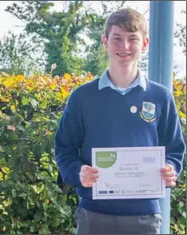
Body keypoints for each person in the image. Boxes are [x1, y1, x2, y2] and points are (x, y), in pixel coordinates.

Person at [54, 8, 185, 234]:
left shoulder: (160, 97)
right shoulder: (82, 97)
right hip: (94, 215)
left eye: (132, 39)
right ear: (105, 42)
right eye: (117, 39)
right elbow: (64, 148)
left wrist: (171, 169)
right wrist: (78, 172)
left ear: (144, 44)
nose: (124, 47)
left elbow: (174, 149)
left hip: (145, 217)